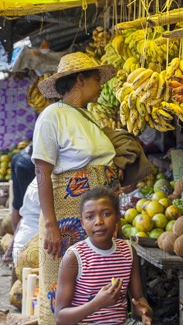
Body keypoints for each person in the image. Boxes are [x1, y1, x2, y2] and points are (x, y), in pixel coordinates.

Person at [32, 52, 120, 325]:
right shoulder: (52, 116)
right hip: (67, 216)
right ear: (80, 80)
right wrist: (50, 224)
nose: (101, 85)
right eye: (96, 79)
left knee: (94, 285)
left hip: (97, 214)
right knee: (63, 288)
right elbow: (42, 172)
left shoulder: (86, 117)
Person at [55, 188, 152, 325]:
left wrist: (144, 311)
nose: (98, 221)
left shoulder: (128, 251)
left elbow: (138, 298)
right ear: (82, 223)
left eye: (106, 214)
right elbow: (60, 317)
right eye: (90, 217)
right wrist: (97, 303)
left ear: (118, 218)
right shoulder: (74, 257)